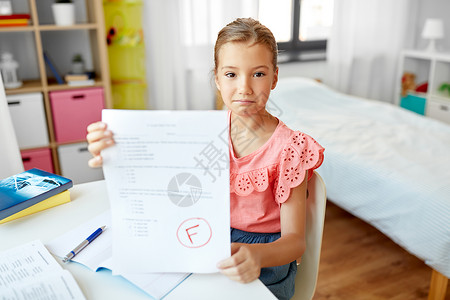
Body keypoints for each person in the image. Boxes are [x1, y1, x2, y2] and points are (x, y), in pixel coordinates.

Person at [86, 17, 324, 300]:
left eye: (258, 74)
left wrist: (257, 255)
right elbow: (163, 185)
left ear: (274, 76)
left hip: (263, 263)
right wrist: (115, 152)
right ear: (217, 78)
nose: (244, 88)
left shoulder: (291, 148)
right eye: (231, 74)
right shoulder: (199, 133)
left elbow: (295, 242)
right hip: (202, 242)